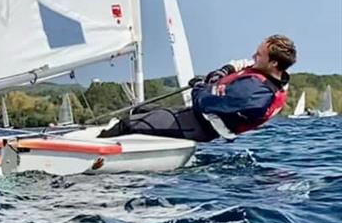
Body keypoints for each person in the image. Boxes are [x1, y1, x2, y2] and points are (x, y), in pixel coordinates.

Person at [98, 34, 295, 142]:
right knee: (140, 110)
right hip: (194, 118)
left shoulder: (254, 92)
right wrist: (225, 70)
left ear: (274, 64)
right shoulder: (269, 77)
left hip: (199, 125)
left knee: (129, 124)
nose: (253, 56)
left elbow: (203, 101)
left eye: (259, 55)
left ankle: (95, 155)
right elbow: (221, 80)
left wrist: (201, 85)